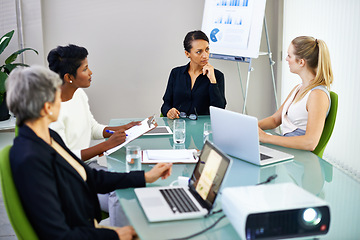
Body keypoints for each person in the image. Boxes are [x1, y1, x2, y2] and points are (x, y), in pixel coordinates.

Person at [6, 66, 172, 240]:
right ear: (47, 107)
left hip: (87, 225)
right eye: (58, 97)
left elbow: (90, 177)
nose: (62, 102)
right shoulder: (30, 159)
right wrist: (115, 235)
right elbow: (59, 235)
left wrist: (146, 177)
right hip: (84, 230)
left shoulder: (48, 137)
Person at [47, 44, 138, 226]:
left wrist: (121, 129)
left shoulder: (78, 94)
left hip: (90, 168)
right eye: (85, 68)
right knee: (120, 192)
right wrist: (105, 145)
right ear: (69, 77)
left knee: (128, 179)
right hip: (70, 178)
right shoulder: (53, 110)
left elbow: (93, 127)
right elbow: (65, 157)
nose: (91, 72)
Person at [258, 36, 333, 151]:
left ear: (301, 62)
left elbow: (310, 143)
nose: (287, 59)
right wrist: (251, 126)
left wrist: (266, 138)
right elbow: (275, 120)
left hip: (298, 158)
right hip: (287, 150)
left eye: (289, 55)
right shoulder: (298, 88)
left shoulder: (317, 95)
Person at [161, 30, 226, 119]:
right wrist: (168, 111)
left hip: (203, 129)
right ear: (187, 54)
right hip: (179, 127)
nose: (205, 56)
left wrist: (212, 80)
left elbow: (220, 110)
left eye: (207, 49)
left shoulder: (217, 76)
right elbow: (166, 104)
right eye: (199, 52)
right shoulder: (176, 73)